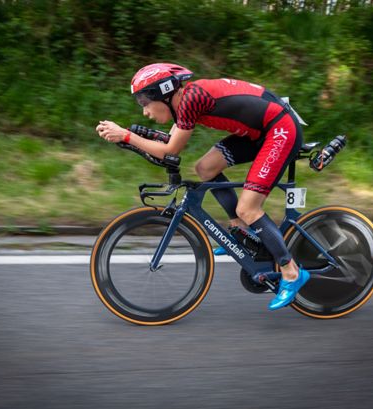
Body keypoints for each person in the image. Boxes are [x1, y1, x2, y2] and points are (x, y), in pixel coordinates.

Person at [95, 63, 309, 311]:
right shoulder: (185, 102)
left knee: (248, 208)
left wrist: (126, 136)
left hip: (280, 130)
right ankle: (240, 230)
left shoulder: (191, 100)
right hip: (260, 131)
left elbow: (170, 150)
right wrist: (132, 136)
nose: (144, 111)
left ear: (163, 93)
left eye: (144, 102)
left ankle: (291, 272)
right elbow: (169, 143)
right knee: (205, 169)